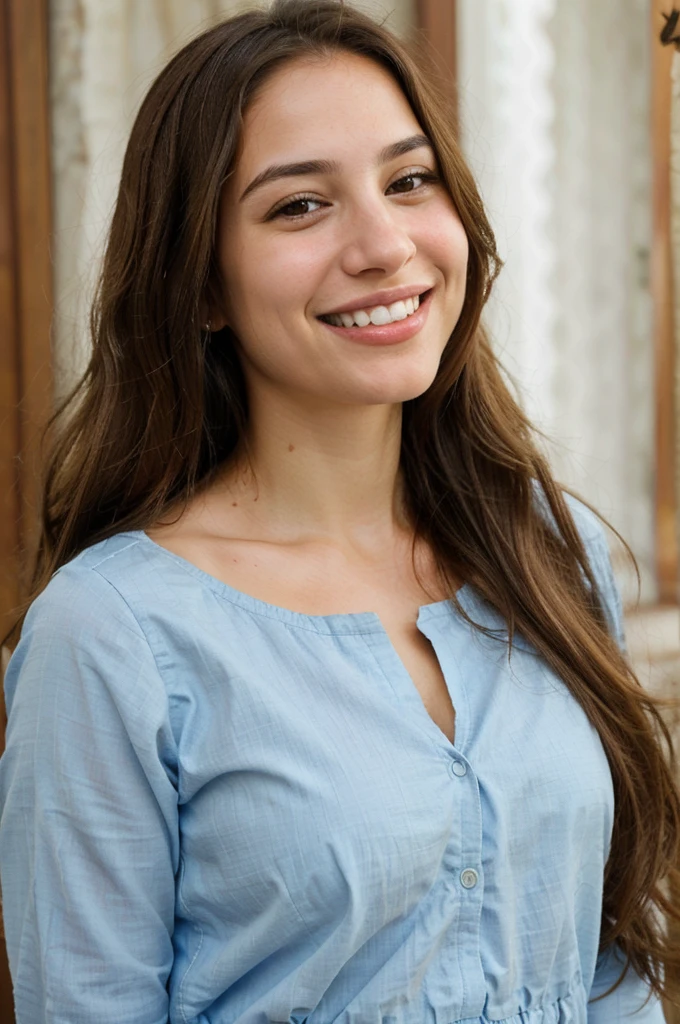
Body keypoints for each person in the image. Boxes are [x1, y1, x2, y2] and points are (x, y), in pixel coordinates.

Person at [0, 1, 678, 1021]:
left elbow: (605, 962)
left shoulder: (548, 551)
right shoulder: (110, 636)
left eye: (409, 181)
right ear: (201, 285)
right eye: (298, 206)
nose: (382, 245)